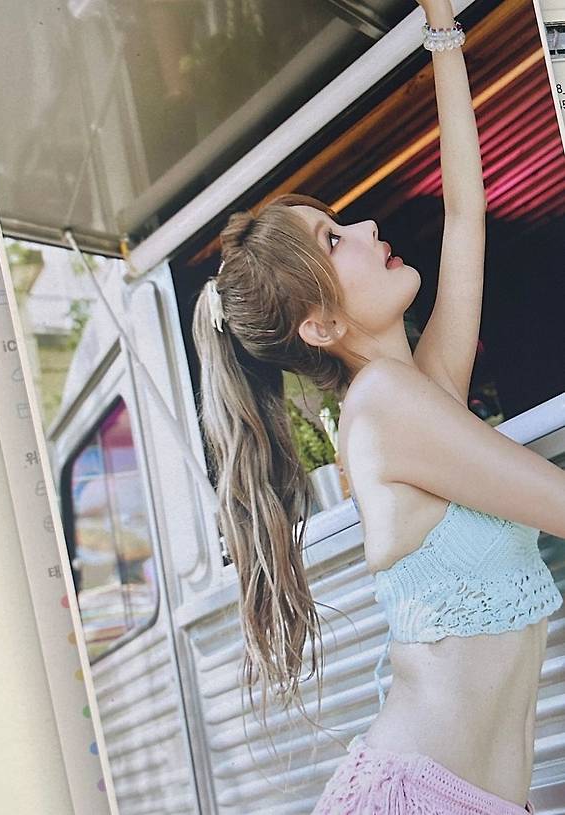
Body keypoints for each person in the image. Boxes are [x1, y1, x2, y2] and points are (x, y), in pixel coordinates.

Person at [191, 0, 565, 811]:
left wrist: (443, 31)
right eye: (334, 240)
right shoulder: (385, 409)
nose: (365, 225)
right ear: (321, 325)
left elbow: (465, 215)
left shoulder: (418, 391)